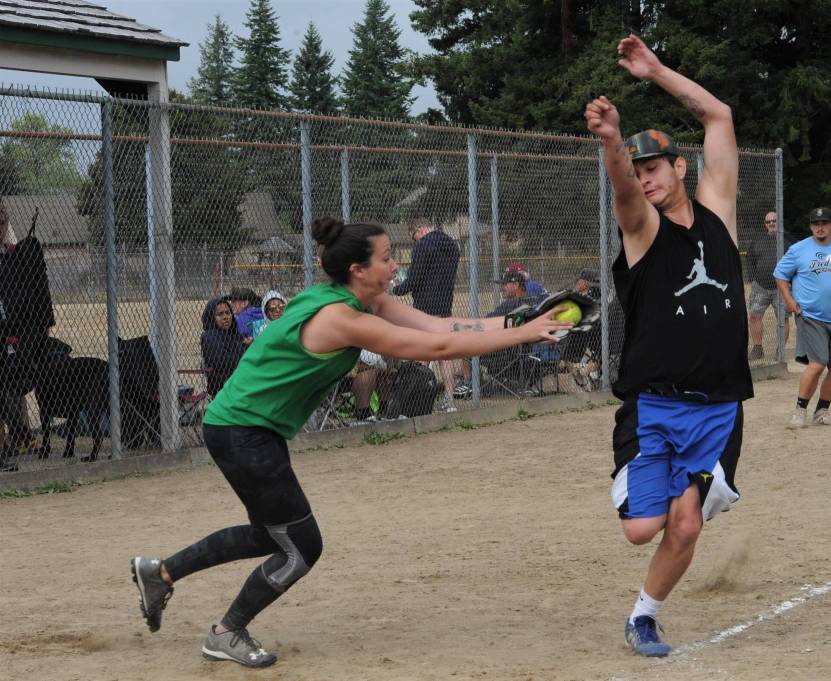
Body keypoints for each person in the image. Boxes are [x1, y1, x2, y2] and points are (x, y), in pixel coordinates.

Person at [130, 218, 573, 668]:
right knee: (302, 545)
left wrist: (520, 318)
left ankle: (161, 572)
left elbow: (441, 326)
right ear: (358, 270)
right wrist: (523, 335)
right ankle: (227, 632)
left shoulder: (359, 299)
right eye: (386, 257)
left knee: (270, 533)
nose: (395, 263)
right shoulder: (340, 318)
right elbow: (434, 350)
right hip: (242, 430)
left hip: (247, 428)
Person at [585, 33, 752, 657]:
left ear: (681, 168)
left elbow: (718, 116)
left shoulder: (718, 212)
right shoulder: (642, 229)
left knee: (684, 525)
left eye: (654, 166)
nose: (646, 178)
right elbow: (624, 194)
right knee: (642, 529)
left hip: (719, 406)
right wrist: (612, 143)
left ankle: (643, 618)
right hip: (655, 404)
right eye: (639, 169)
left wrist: (654, 70)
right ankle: (658, 482)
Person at [774, 207, 831, 428]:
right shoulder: (798, 249)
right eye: (816, 223)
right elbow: (780, 275)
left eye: (824, 223)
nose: (820, 227)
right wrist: (789, 301)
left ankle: (822, 411)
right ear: (811, 226)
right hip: (810, 316)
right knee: (817, 364)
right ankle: (799, 410)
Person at [391, 219, 461, 412]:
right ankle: (449, 398)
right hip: (444, 302)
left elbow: (413, 279)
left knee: (423, 351)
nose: (415, 241)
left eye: (414, 237)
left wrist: (397, 289)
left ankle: (416, 399)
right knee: (444, 354)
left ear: (419, 230)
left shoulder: (423, 245)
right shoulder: (452, 244)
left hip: (425, 306)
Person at [454, 270, 537, 397]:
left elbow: (485, 323)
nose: (502, 288)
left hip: (503, 353)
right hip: (522, 352)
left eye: (505, 285)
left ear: (515, 285)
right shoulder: (531, 301)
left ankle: (468, 383)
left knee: (465, 345)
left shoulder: (510, 304)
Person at [746, 211, 791, 360]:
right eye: (768, 222)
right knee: (754, 316)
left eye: (774, 221)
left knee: (783, 319)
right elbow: (749, 260)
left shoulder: (787, 242)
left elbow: (795, 264)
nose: (771, 223)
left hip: (781, 287)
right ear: (765, 224)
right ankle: (758, 349)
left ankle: (780, 351)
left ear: (779, 222)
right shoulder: (757, 242)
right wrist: (753, 279)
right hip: (761, 287)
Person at [201, 298, 250, 399]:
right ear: (212, 317)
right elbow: (223, 362)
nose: (225, 317)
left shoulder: (234, 335)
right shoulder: (209, 336)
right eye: (220, 314)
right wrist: (245, 350)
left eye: (228, 313)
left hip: (239, 385)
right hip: (221, 388)